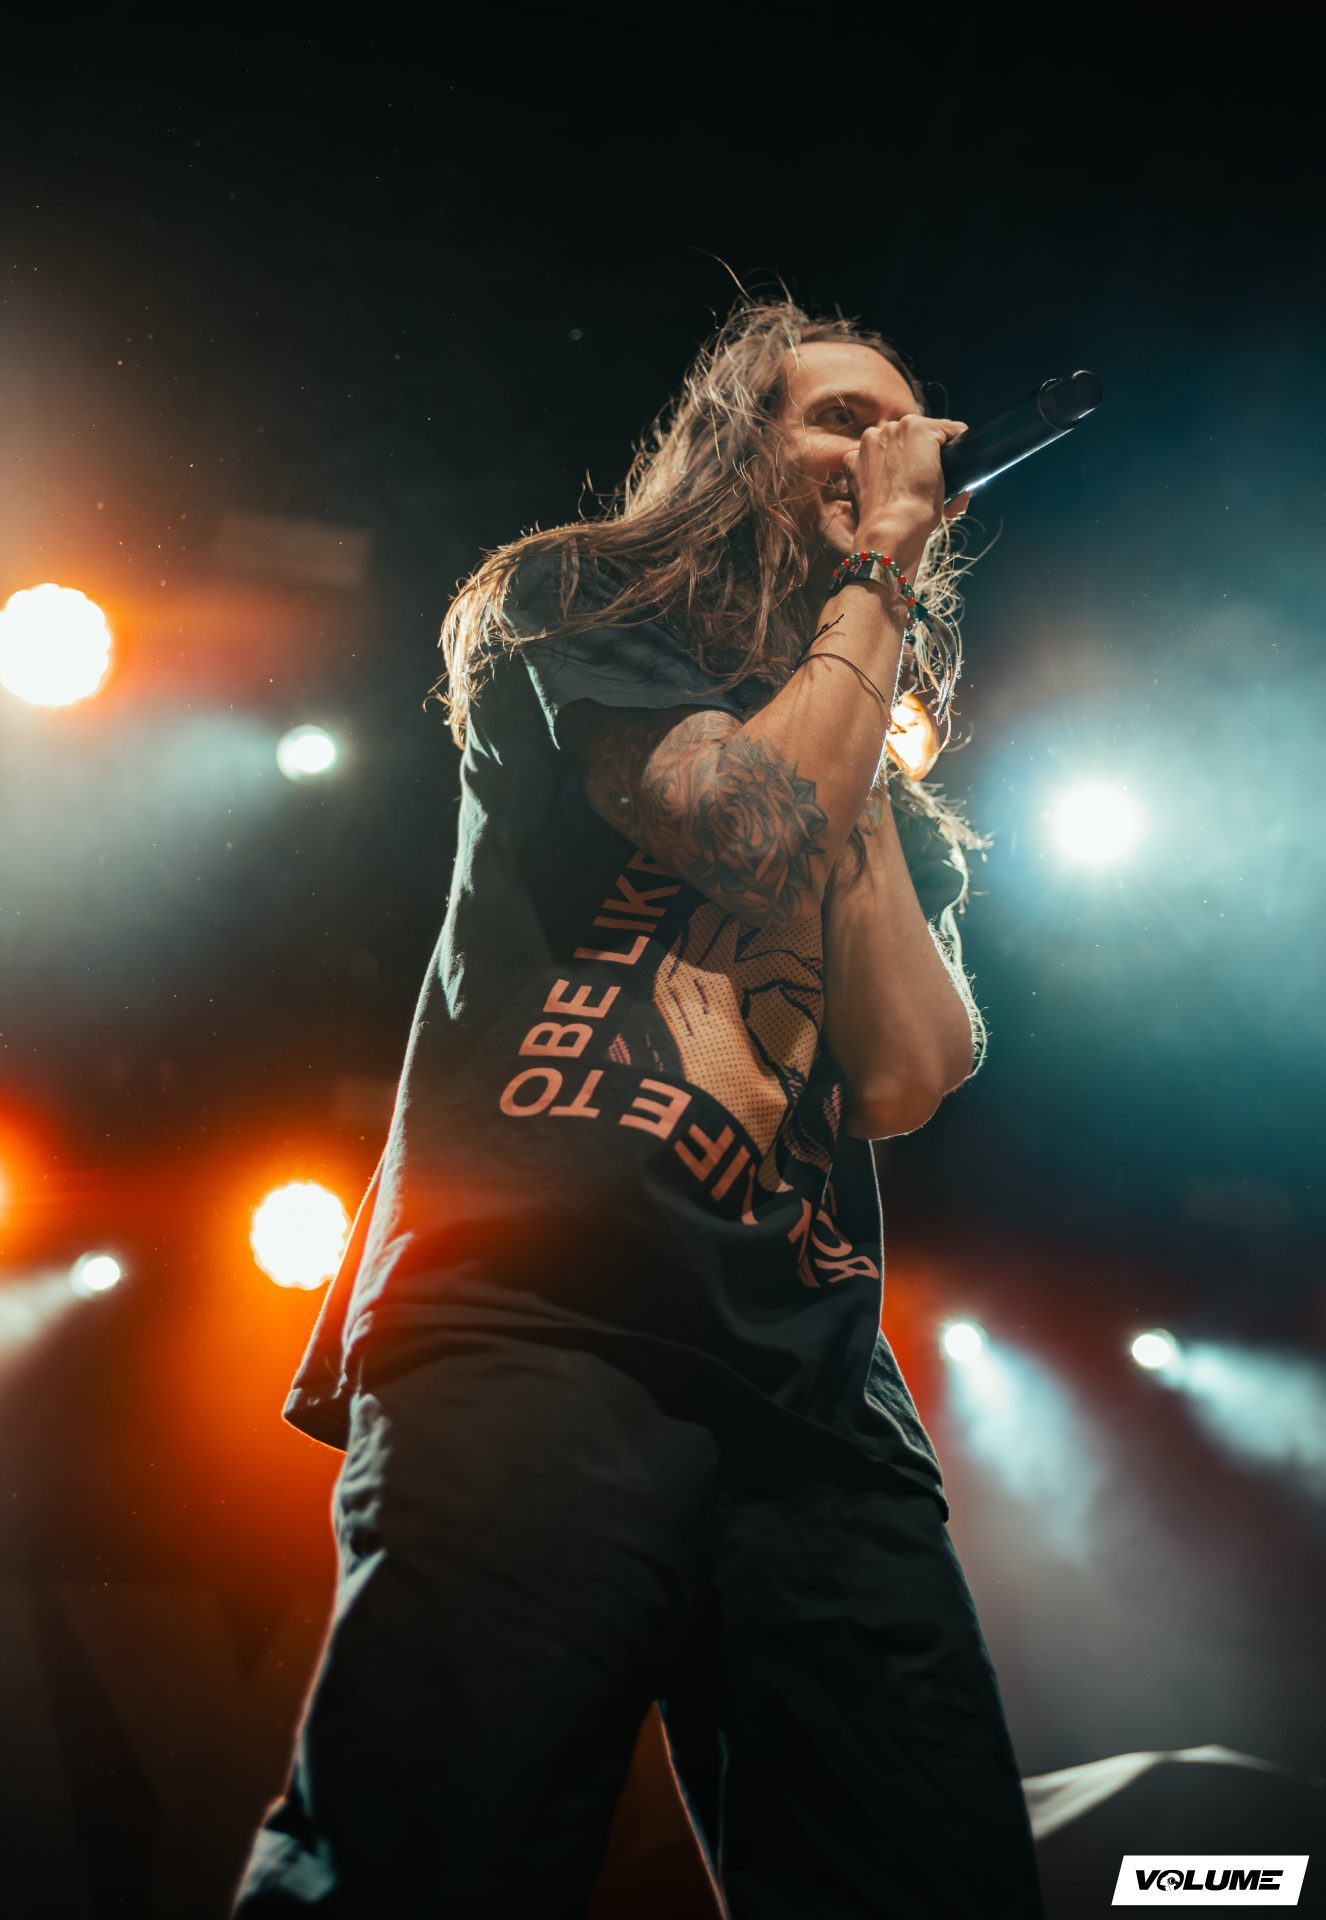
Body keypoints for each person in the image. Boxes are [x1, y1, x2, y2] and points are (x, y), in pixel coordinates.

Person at [230, 298, 1045, 1918]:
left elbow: (904, 1072)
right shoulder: (577, 598)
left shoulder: (871, 753)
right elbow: (738, 827)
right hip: (540, 1313)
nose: (883, 448)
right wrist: (876, 583)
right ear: (737, 446)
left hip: (816, 1395)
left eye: (900, 426)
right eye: (838, 417)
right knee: (431, 1853)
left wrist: (859, 688)